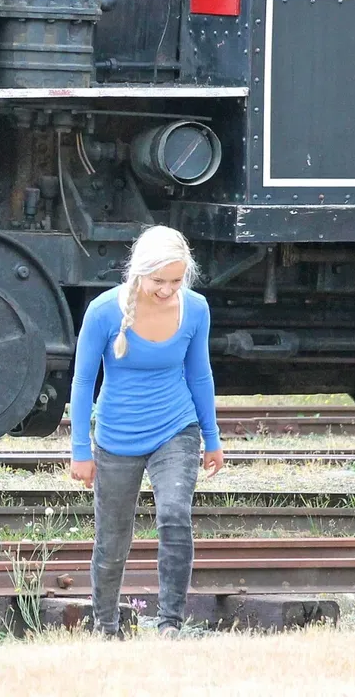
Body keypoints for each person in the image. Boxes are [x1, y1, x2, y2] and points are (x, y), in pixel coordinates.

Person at [68, 224, 225, 639]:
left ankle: (170, 623)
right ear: (139, 272)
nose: (167, 290)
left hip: (176, 427)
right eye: (159, 281)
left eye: (176, 281)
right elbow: (83, 382)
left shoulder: (195, 309)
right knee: (112, 538)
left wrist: (212, 438)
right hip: (116, 436)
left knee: (174, 515)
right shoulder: (104, 311)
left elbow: (200, 375)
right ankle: (106, 627)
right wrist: (80, 449)